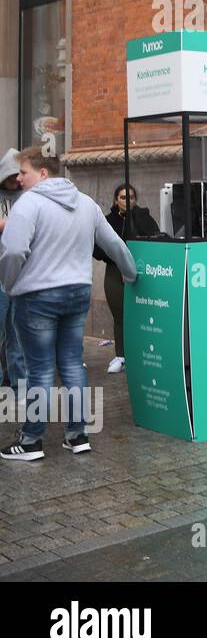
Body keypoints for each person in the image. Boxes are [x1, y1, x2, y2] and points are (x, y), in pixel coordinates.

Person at [0, 148, 137, 460]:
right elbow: (113, 243)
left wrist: (9, 285)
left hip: (36, 296)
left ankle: (32, 440)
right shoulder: (86, 203)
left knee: (40, 369)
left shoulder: (29, 204)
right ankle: (77, 435)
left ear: (43, 173)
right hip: (77, 293)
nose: (19, 178)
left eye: (24, 172)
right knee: (73, 364)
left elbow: (12, 251)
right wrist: (131, 274)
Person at [93, 183, 159, 373]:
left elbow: (155, 240)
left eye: (130, 197)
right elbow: (98, 247)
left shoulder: (143, 217)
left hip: (141, 271)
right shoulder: (108, 220)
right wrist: (119, 263)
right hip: (115, 272)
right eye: (123, 197)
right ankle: (121, 356)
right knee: (120, 315)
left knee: (143, 314)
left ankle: (143, 353)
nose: (127, 201)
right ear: (116, 200)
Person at [0, 149, 25, 392]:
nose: (16, 181)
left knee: (15, 333)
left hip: (18, 273)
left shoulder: (26, 197)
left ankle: (19, 384)